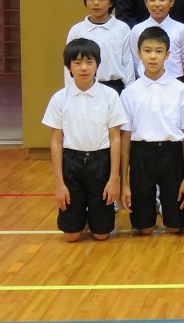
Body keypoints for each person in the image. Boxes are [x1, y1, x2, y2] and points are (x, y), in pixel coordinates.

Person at [42, 39, 127, 242]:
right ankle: (80, 217)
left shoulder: (110, 96)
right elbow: (56, 142)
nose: (83, 68)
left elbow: (116, 138)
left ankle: (95, 217)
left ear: (97, 64)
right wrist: (59, 183)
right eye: (77, 62)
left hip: (100, 161)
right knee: (71, 236)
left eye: (89, 62)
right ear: (69, 67)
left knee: (102, 234)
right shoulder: (60, 98)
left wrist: (114, 178)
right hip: (72, 162)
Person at [120, 27, 184, 234]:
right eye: (147, 51)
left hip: (171, 154)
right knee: (144, 229)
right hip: (140, 155)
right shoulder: (129, 93)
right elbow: (125, 138)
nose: (153, 56)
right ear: (139, 53)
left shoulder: (181, 90)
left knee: (175, 227)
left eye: (159, 51)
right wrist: (124, 182)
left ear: (168, 55)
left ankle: (178, 208)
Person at [65, 0, 135, 94]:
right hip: (85, 87)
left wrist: (130, 92)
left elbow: (128, 63)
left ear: (111, 2)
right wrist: (71, 91)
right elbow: (69, 64)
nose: (96, 3)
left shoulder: (122, 28)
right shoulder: (77, 30)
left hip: (116, 87)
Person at [129, 0, 184, 80]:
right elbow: (136, 60)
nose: (157, 4)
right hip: (145, 81)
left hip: (175, 81)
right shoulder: (137, 29)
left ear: (171, 1)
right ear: (145, 2)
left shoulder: (181, 29)